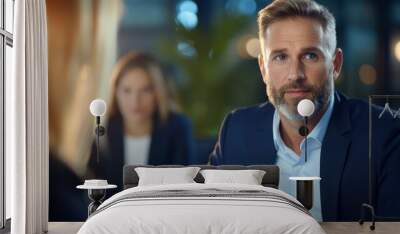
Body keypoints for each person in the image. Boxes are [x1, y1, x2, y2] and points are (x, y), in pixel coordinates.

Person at [209, 0, 400, 221]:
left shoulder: (384, 134)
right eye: (280, 57)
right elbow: (214, 225)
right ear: (263, 69)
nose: (295, 74)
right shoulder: (237, 131)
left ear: (335, 64)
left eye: (310, 56)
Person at [87, 52, 195, 196]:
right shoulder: (100, 131)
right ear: (115, 92)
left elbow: (183, 188)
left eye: (145, 90)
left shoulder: (178, 127)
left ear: (158, 93)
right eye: (127, 90)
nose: (135, 101)